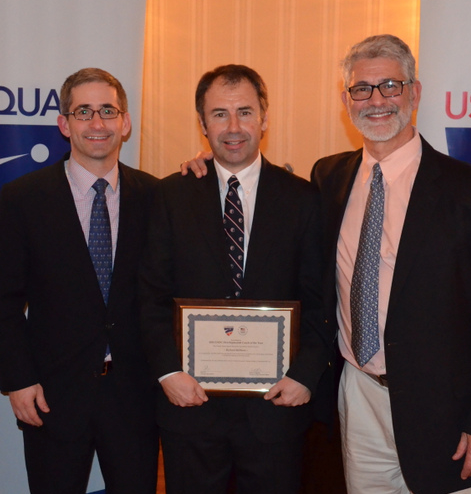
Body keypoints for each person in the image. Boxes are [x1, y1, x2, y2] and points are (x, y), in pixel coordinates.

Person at [183, 34, 471, 494]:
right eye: (362, 89)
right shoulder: (329, 176)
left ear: (415, 92)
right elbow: (264, 198)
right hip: (357, 397)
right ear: (346, 100)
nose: (377, 100)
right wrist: (212, 166)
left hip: (446, 411)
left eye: (390, 86)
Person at [140, 64, 333, 494]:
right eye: (220, 114)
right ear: (202, 124)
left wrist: (305, 375)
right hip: (189, 407)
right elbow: (150, 296)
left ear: (265, 118)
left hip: (276, 410)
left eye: (245, 112)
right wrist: (167, 372)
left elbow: (321, 300)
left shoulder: (303, 199)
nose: (233, 127)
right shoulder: (170, 196)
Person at [0, 68, 159, 494]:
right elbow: (2, 302)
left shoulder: (158, 197)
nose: (97, 124)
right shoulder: (22, 198)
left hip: (135, 396)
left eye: (107, 111)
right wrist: (17, 380)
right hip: (53, 395)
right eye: (83, 112)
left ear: (126, 122)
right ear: (64, 124)